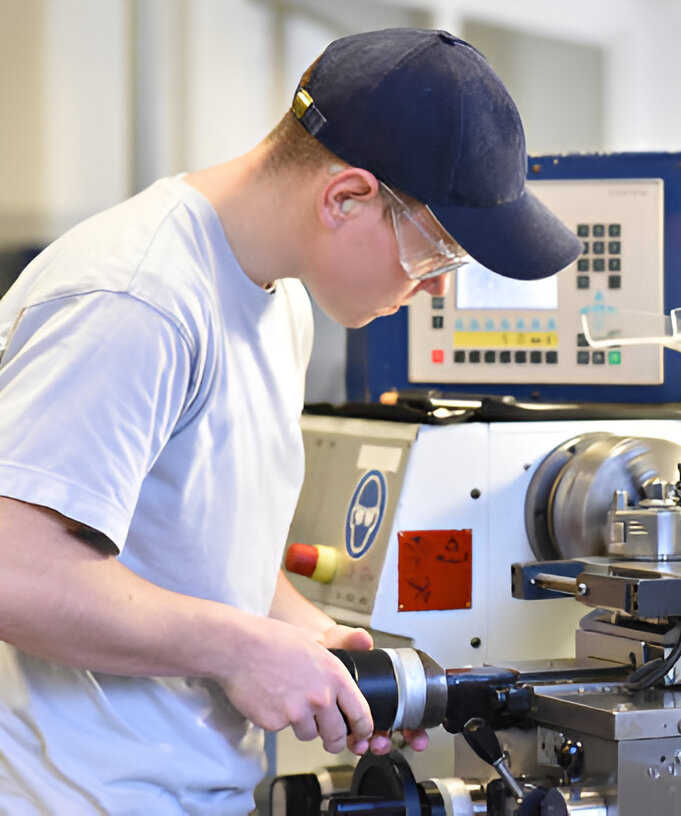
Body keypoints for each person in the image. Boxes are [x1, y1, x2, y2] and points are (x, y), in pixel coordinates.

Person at [0, 28, 581, 815]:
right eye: (437, 254)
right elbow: (15, 571)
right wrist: (241, 650)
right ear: (347, 197)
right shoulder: (137, 301)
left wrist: (308, 640)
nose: (436, 292)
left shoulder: (281, 304)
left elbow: (191, 545)